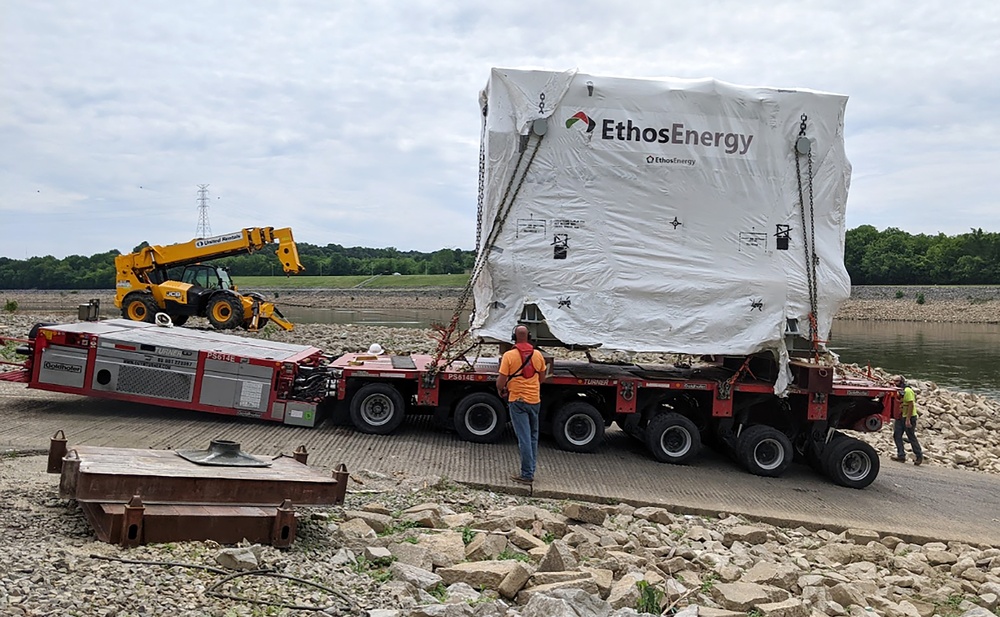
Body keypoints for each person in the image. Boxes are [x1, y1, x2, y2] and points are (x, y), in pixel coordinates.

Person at [496, 325, 547, 484]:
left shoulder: (509, 356)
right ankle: (530, 470)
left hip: (517, 401)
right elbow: (542, 377)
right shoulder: (538, 355)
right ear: (529, 336)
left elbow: (501, 381)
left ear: (514, 337)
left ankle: (526, 474)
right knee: (532, 437)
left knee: (523, 438)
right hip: (534, 401)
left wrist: (501, 389)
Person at [891, 375, 923, 465]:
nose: (894, 383)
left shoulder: (907, 391)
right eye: (894, 381)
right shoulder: (897, 391)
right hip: (900, 416)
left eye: (896, 381)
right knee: (897, 435)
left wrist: (908, 420)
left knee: (911, 436)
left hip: (909, 416)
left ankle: (919, 456)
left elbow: (910, 405)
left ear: (901, 382)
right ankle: (901, 455)